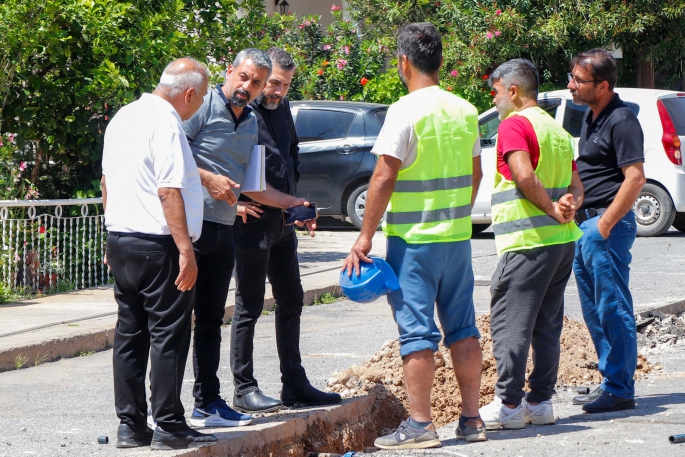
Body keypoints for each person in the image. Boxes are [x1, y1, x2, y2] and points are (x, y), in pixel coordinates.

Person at [342, 23, 486, 449]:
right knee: (463, 327)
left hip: (414, 242)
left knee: (417, 333)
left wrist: (364, 236)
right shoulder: (464, 110)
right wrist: (455, 216)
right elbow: (476, 174)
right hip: (457, 239)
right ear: (440, 61)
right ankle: (472, 419)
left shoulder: (404, 110)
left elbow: (384, 175)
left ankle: (421, 425)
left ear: (404, 62)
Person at [181, 48, 313, 425]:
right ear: (230, 71)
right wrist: (211, 182)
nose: (249, 87)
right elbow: (173, 152)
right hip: (190, 226)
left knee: (209, 320)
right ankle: (164, 412)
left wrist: (293, 201)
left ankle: (208, 402)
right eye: (245, 78)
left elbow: (254, 185)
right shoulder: (203, 105)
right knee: (175, 322)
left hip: (224, 227)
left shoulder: (252, 119)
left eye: (256, 82)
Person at [102, 57, 218, 450]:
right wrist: (186, 249)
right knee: (168, 336)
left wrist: (111, 234)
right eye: (200, 98)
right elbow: (169, 190)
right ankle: (168, 424)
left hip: (122, 241)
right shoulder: (167, 122)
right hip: (158, 244)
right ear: (188, 93)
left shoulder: (123, 116)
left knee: (129, 334)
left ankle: (130, 426)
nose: (199, 105)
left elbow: (106, 182)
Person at [230, 47, 341, 414]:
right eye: (273, 83)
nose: (277, 91)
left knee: (292, 299)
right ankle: (244, 388)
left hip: (281, 223)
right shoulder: (242, 111)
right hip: (250, 222)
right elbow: (220, 159)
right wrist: (234, 201)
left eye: (285, 85)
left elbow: (290, 153)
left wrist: (295, 205)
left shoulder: (282, 109)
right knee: (248, 305)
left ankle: (294, 383)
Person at [477, 59, 584, 430]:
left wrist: (554, 208)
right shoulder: (556, 130)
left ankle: (507, 405)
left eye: (495, 91)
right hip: (560, 244)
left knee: (511, 323)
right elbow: (577, 185)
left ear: (512, 90)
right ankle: (540, 402)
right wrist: (568, 204)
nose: (493, 99)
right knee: (547, 324)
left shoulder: (514, 125)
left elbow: (522, 174)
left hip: (527, 242)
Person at [568, 49, 646, 413]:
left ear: (602, 85)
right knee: (594, 309)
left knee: (612, 306)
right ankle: (611, 380)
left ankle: (620, 388)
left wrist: (604, 224)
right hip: (586, 225)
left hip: (606, 227)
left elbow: (635, 179)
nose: (571, 85)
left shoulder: (622, 119)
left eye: (578, 80)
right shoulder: (591, 116)